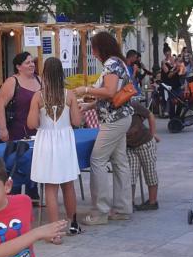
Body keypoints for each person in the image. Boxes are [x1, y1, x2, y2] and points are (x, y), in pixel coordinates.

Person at [73, 32, 133, 225]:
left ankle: (100, 212)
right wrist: (90, 105)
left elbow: (109, 91)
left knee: (97, 160)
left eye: (94, 48)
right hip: (121, 116)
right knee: (119, 162)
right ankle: (123, 208)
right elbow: (112, 96)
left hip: (114, 120)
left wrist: (86, 90)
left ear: (101, 48)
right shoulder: (120, 62)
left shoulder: (111, 65)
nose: (93, 52)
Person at [27, 58, 82, 242]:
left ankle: (54, 234)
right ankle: (73, 225)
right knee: (68, 184)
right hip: (64, 140)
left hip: (46, 141)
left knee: (50, 188)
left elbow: (32, 124)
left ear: (44, 74)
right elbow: (76, 122)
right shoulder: (70, 95)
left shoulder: (38, 96)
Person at [0, 52, 42, 143]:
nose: (32, 65)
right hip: (17, 132)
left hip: (39, 131)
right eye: (27, 63)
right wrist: (3, 129)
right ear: (18, 67)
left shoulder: (40, 80)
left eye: (32, 62)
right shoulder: (12, 82)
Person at [126, 101, 160, 211]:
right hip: (130, 146)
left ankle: (152, 201)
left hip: (145, 143)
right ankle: (129, 202)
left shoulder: (133, 105)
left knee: (150, 172)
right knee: (130, 175)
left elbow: (150, 115)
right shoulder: (112, 110)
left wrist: (153, 133)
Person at [160, 43, 182, 117]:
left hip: (176, 82)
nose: (168, 55)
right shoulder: (163, 62)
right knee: (172, 101)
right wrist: (175, 69)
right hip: (169, 84)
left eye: (169, 53)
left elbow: (180, 70)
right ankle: (172, 116)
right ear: (164, 53)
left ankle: (177, 115)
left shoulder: (175, 59)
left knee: (180, 100)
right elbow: (168, 74)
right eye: (166, 53)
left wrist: (177, 68)